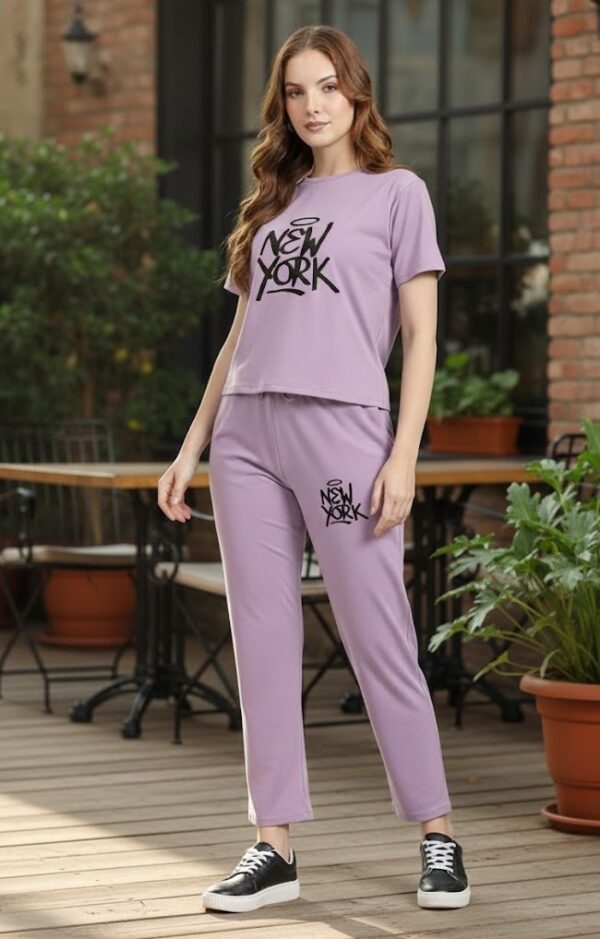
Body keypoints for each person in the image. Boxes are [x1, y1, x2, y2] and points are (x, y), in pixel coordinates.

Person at [158, 24, 470, 916]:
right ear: (283, 105)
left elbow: (422, 337)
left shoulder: (398, 194)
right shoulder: (273, 203)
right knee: (261, 636)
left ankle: (438, 833)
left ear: (356, 92)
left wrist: (403, 453)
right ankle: (274, 844)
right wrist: (193, 443)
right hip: (248, 437)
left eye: (327, 86)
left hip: (344, 434)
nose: (312, 105)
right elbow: (239, 337)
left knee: (377, 633)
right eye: (296, 91)